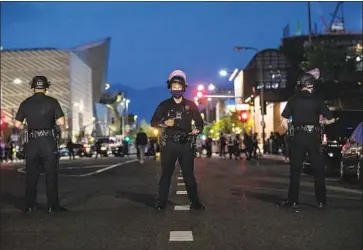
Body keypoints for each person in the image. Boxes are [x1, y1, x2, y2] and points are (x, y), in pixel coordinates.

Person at [278, 70, 337, 210]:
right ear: (311, 85)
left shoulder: (293, 100)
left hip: (298, 138)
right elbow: (331, 118)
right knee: (318, 170)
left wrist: (292, 130)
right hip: (314, 138)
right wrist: (322, 123)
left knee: (296, 171)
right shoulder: (317, 100)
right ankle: (321, 201)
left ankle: (292, 200)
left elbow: (283, 122)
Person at [151, 69, 205, 211]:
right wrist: (164, 123)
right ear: (169, 88)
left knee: (188, 174)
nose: (176, 89)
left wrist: (197, 130)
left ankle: (195, 202)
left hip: (186, 144)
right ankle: (161, 202)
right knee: (166, 174)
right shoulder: (164, 105)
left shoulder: (191, 105)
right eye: (173, 87)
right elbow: (154, 122)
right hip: (169, 143)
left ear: (184, 87)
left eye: (179, 87)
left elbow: (199, 122)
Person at [14, 76, 67, 213]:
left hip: (32, 143)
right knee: (51, 175)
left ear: (32, 87)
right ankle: (52, 206)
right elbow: (61, 122)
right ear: (46, 87)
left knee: (31, 175)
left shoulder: (26, 103)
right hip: (48, 142)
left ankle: (29, 206)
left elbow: (17, 124)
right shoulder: (52, 102)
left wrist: (28, 125)